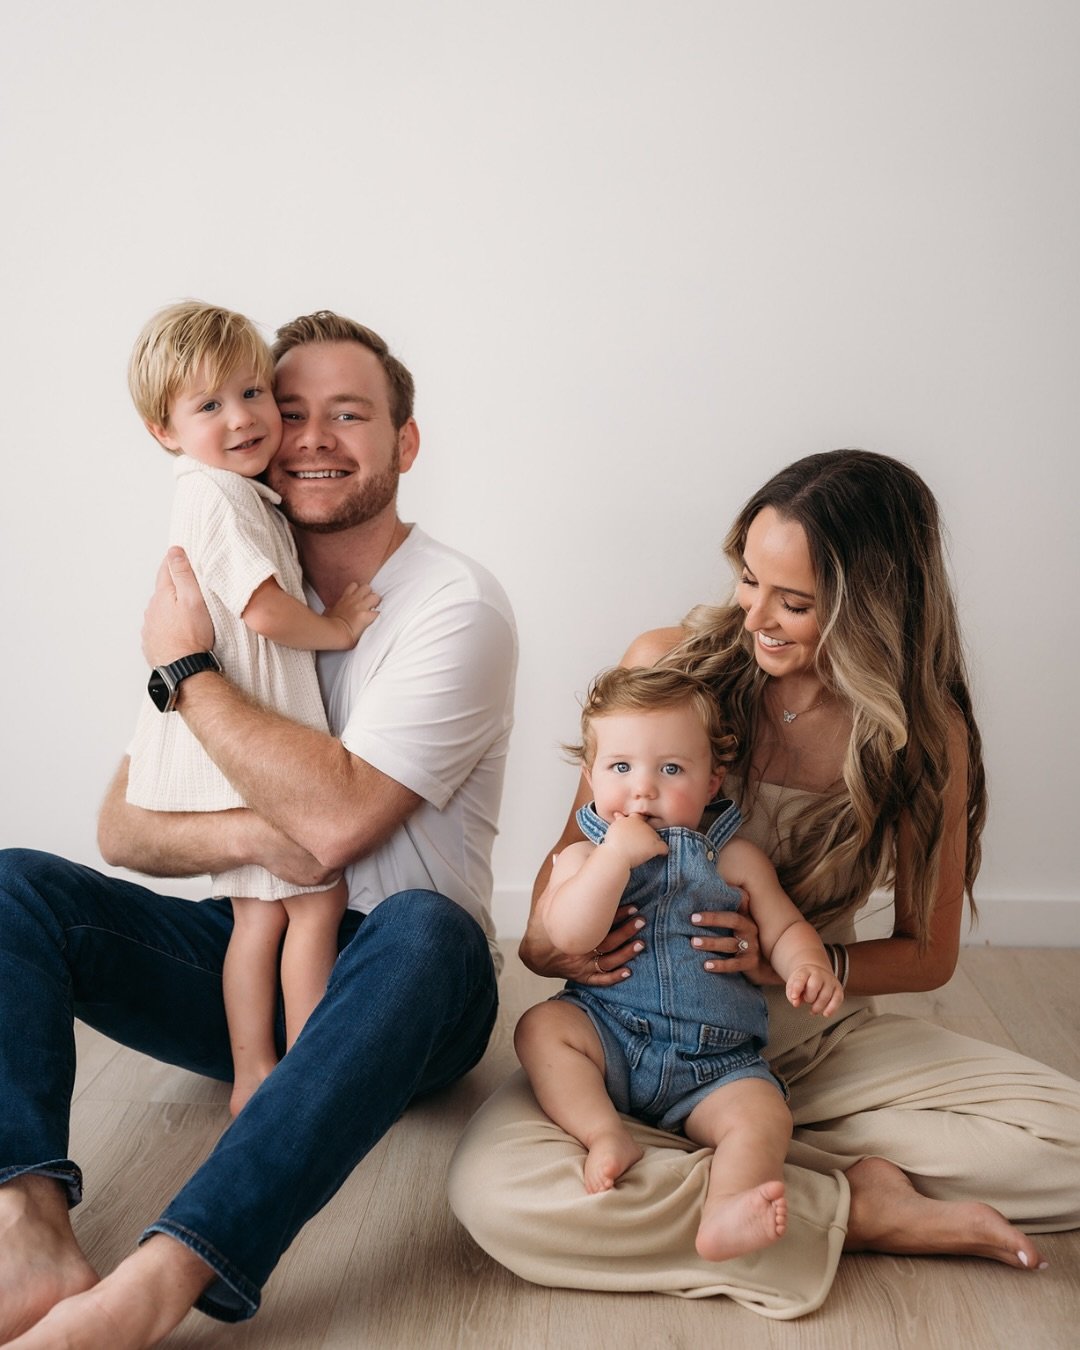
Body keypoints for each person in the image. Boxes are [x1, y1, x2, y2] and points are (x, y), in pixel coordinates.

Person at [450, 448, 1080, 1318]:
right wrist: (565, 945)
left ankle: (748, 1159)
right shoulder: (672, 668)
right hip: (624, 1034)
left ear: (875, 610)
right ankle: (848, 1204)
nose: (758, 619)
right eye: (749, 581)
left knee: (1069, 1146)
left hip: (801, 1036)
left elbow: (929, 957)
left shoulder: (922, 733)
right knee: (499, 1198)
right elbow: (554, 901)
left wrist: (795, 959)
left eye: (796, 602)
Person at [0, 311, 517, 1347]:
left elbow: (332, 826)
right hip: (262, 944)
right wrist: (261, 833)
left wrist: (186, 673)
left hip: (410, 989)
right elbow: (122, 826)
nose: (311, 434)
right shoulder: (226, 565)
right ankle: (25, 1224)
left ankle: (158, 1280)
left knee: (424, 925)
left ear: (405, 443)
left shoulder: (453, 605)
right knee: (14, 884)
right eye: (291, 411)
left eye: (349, 413)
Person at [126, 300, 381, 1116]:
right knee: (312, 900)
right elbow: (265, 610)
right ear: (163, 430)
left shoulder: (230, 493)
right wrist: (337, 627)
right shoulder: (221, 501)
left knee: (256, 916)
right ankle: (298, 1074)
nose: (242, 418)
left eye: (251, 393)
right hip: (248, 725)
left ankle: (253, 1073)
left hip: (230, 725)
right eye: (209, 406)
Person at [514, 665, 843, 1261]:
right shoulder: (581, 857)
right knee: (540, 1029)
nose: (643, 790)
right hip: (609, 1036)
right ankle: (604, 1134)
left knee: (764, 1113)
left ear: (713, 781)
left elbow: (785, 924)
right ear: (590, 778)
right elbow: (568, 931)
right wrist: (613, 859)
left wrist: (806, 964)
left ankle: (728, 1208)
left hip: (714, 1061)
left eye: (671, 770)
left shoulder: (735, 858)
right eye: (621, 768)